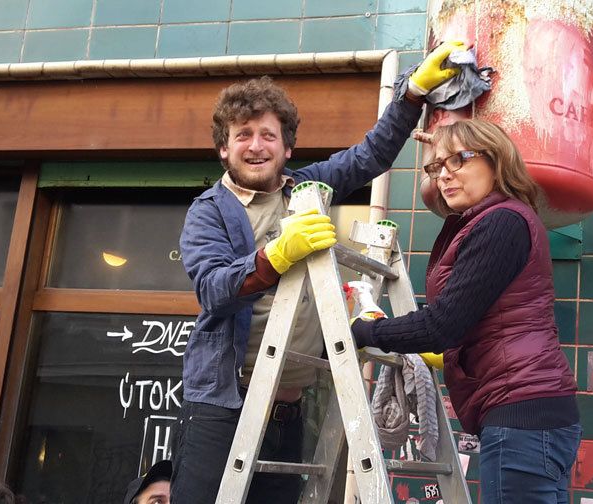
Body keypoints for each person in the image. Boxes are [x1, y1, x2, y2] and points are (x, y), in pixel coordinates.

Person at [173, 41, 466, 504]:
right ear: (223, 150)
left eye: (268, 135)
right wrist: (276, 254)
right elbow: (213, 290)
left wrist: (411, 95)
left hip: (290, 405)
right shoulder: (208, 212)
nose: (256, 145)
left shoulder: (309, 189)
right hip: (224, 405)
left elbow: (369, 156)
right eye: (243, 134)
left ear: (287, 146)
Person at [351, 119, 581, 504]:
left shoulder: (501, 222)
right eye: (437, 166)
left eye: (458, 159)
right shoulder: (497, 220)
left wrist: (368, 332)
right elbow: (474, 320)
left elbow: (444, 324)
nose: (444, 174)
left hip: (520, 414)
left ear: (497, 161)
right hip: (534, 413)